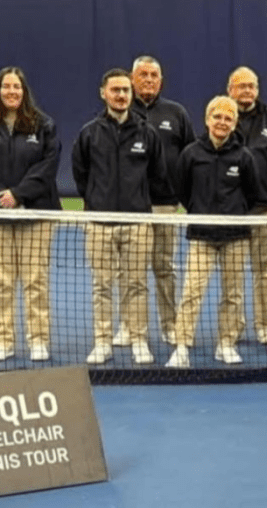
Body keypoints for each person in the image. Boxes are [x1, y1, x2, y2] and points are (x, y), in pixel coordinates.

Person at [73, 68, 168, 365]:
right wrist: (96, 202)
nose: (121, 95)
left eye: (126, 90)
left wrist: (138, 202)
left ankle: (138, 338)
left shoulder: (147, 133)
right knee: (102, 285)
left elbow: (157, 175)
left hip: (138, 222)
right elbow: (80, 174)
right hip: (99, 223)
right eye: (115, 90)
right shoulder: (89, 133)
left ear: (131, 94)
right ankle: (102, 341)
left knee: (136, 283)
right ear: (104, 93)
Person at [0, 67, 61, 362]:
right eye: (6, 87)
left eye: (16, 87)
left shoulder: (43, 125)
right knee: (0, 282)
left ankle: (38, 340)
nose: (11, 92)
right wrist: (0, 196)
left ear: (24, 90)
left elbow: (48, 166)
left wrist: (18, 194)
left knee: (35, 280)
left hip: (37, 214)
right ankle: (2, 341)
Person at [166, 96, 260, 368]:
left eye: (228, 118)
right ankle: (182, 346)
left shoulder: (243, 157)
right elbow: (182, 190)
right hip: (201, 236)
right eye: (217, 117)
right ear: (207, 120)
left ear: (234, 123)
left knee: (233, 294)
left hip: (235, 237)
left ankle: (226, 344)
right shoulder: (191, 154)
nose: (222, 122)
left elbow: (253, 195)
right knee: (191, 292)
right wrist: (199, 211)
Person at [110, 55, 195, 346]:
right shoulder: (119, 112)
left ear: (161, 80)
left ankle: (170, 325)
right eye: (143, 74)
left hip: (164, 206)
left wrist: (183, 197)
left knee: (164, 267)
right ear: (132, 79)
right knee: (129, 270)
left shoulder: (176, 113)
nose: (148, 79)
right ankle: (128, 326)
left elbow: (190, 158)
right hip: (128, 208)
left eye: (154, 75)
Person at [228, 67, 267, 346]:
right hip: (233, 212)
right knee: (234, 274)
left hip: (264, 210)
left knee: (263, 272)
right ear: (231, 89)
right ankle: (235, 327)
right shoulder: (222, 117)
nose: (247, 91)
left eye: (252, 86)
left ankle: (264, 326)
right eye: (242, 86)